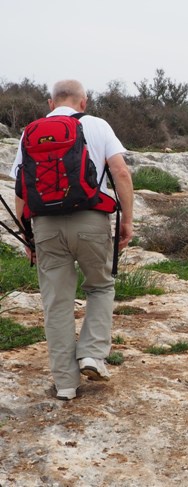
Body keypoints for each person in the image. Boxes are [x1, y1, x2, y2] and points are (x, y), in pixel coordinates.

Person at [9, 80, 134, 401]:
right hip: (91, 220)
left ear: (51, 104)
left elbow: (21, 187)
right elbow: (120, 172)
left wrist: (27, 236)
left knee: (57, 303)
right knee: (101, 286)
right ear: (84, 102)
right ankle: (92, 354)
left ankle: (65, 383)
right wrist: (127, 222)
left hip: (45, 226)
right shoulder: (98, 125)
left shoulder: (30, 132)